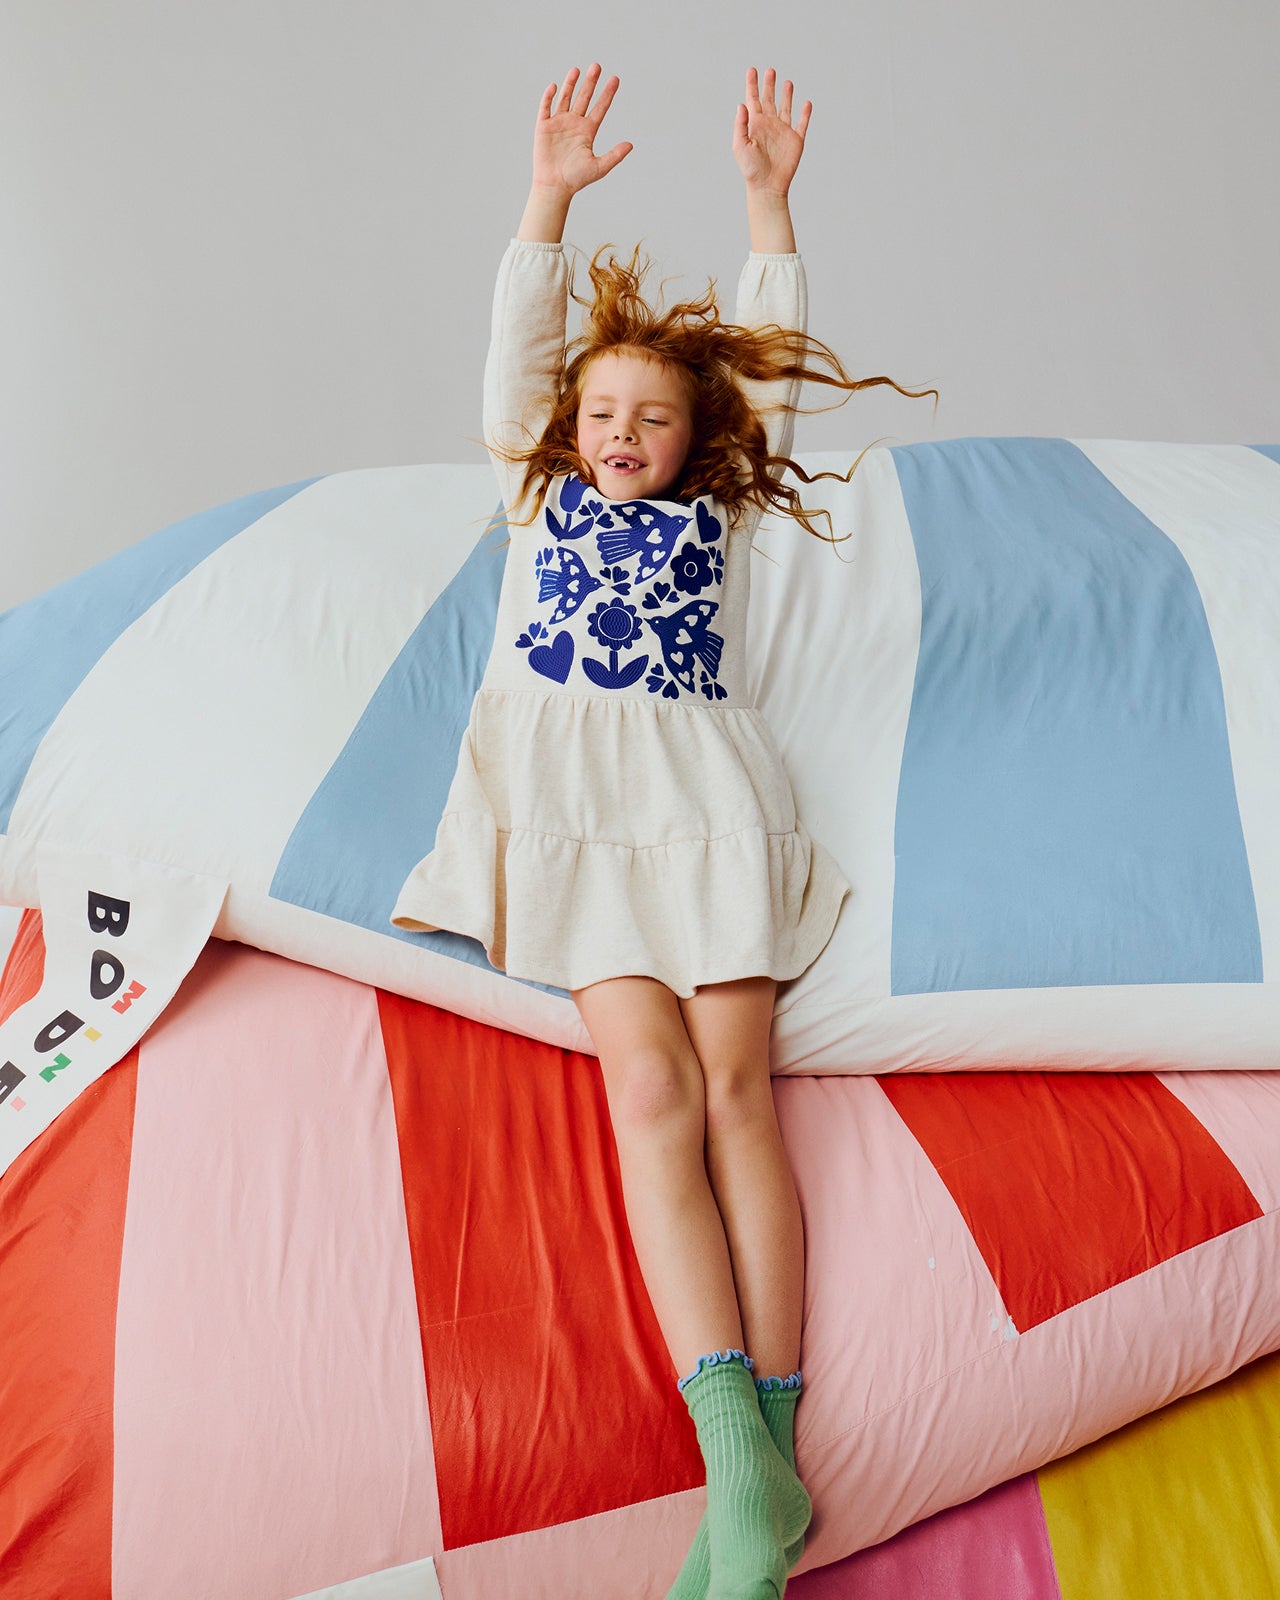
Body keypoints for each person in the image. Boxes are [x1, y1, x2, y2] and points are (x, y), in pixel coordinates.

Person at [391, 62, 936, 1599]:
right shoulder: (533, 489)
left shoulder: (723, 504)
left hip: (700, 810)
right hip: (570, 817)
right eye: (602, 410)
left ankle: (767, 1464)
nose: (623, 430)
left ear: (697, 441)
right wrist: (549, 199)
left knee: (738, 1094)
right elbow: (517, 360)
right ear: (571, 425)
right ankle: (737, 1464)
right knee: (649, 1092)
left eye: (653, 416)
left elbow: (765, 372)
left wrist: (770, 206)